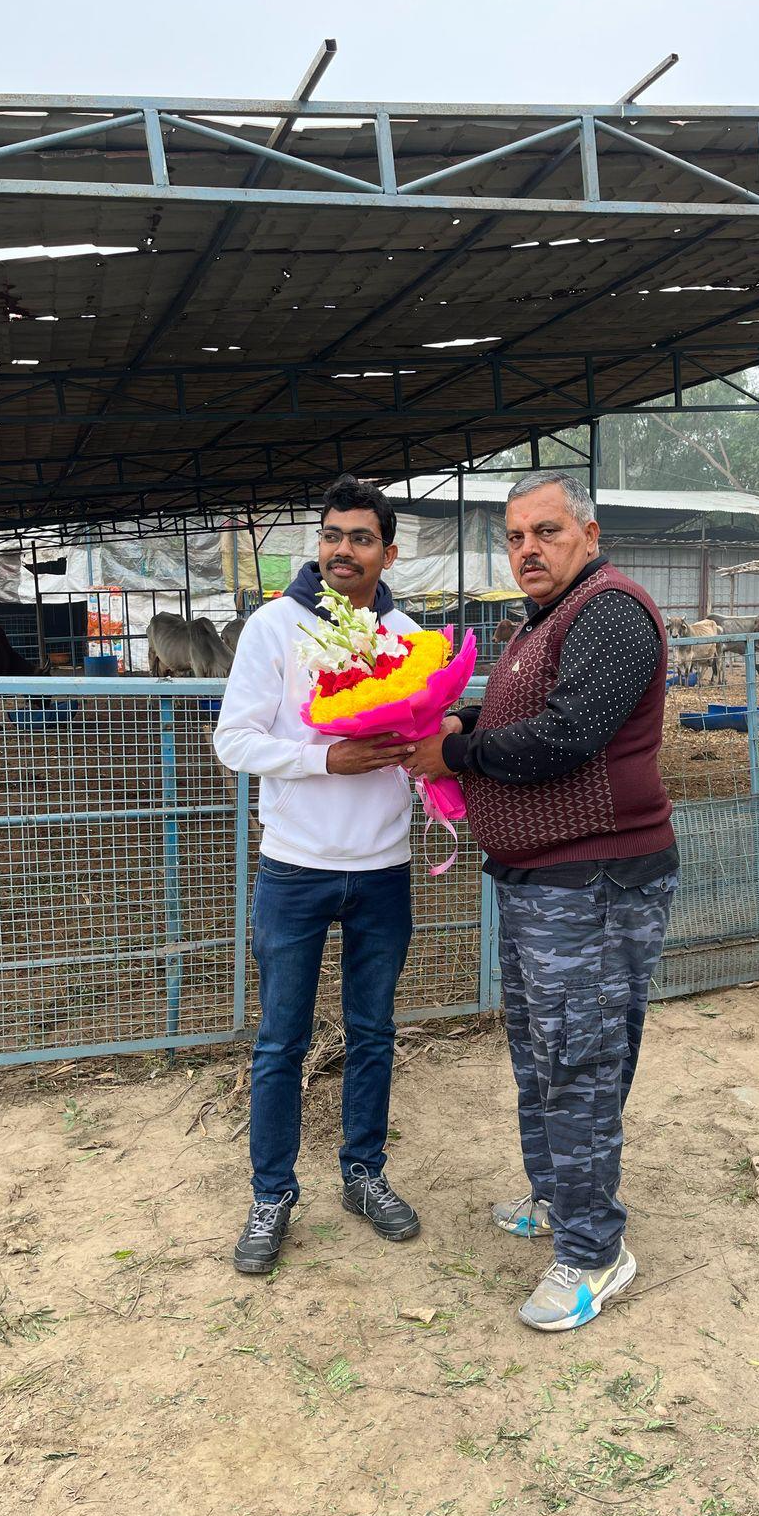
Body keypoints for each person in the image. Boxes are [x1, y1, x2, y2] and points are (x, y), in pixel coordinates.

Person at [409, 470, 677, 1332]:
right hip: (539, 880)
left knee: (579, 1060)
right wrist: (463, 722)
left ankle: (595, 1251)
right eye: (516, 536)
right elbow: (523, 711)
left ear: (590, 536)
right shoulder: (542, 619)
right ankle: (558, 1199)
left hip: (593, 879)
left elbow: (568, 734)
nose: (528, 548)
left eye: (547, 531)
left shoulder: (611, 611)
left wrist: (457, 755)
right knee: (539, 1054)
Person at [214, 475, 421, 1274]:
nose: (342, 549)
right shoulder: (275, 627)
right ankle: (271, 1193)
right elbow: (234, 740)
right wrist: (324, 759)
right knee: (281, 1039)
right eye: (332, 535)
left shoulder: (407, 636)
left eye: (360, 538)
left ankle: (363, 1174)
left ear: (387, 553)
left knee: (373, 1032)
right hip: (295, 869)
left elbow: (419, 740)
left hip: (383, 868)